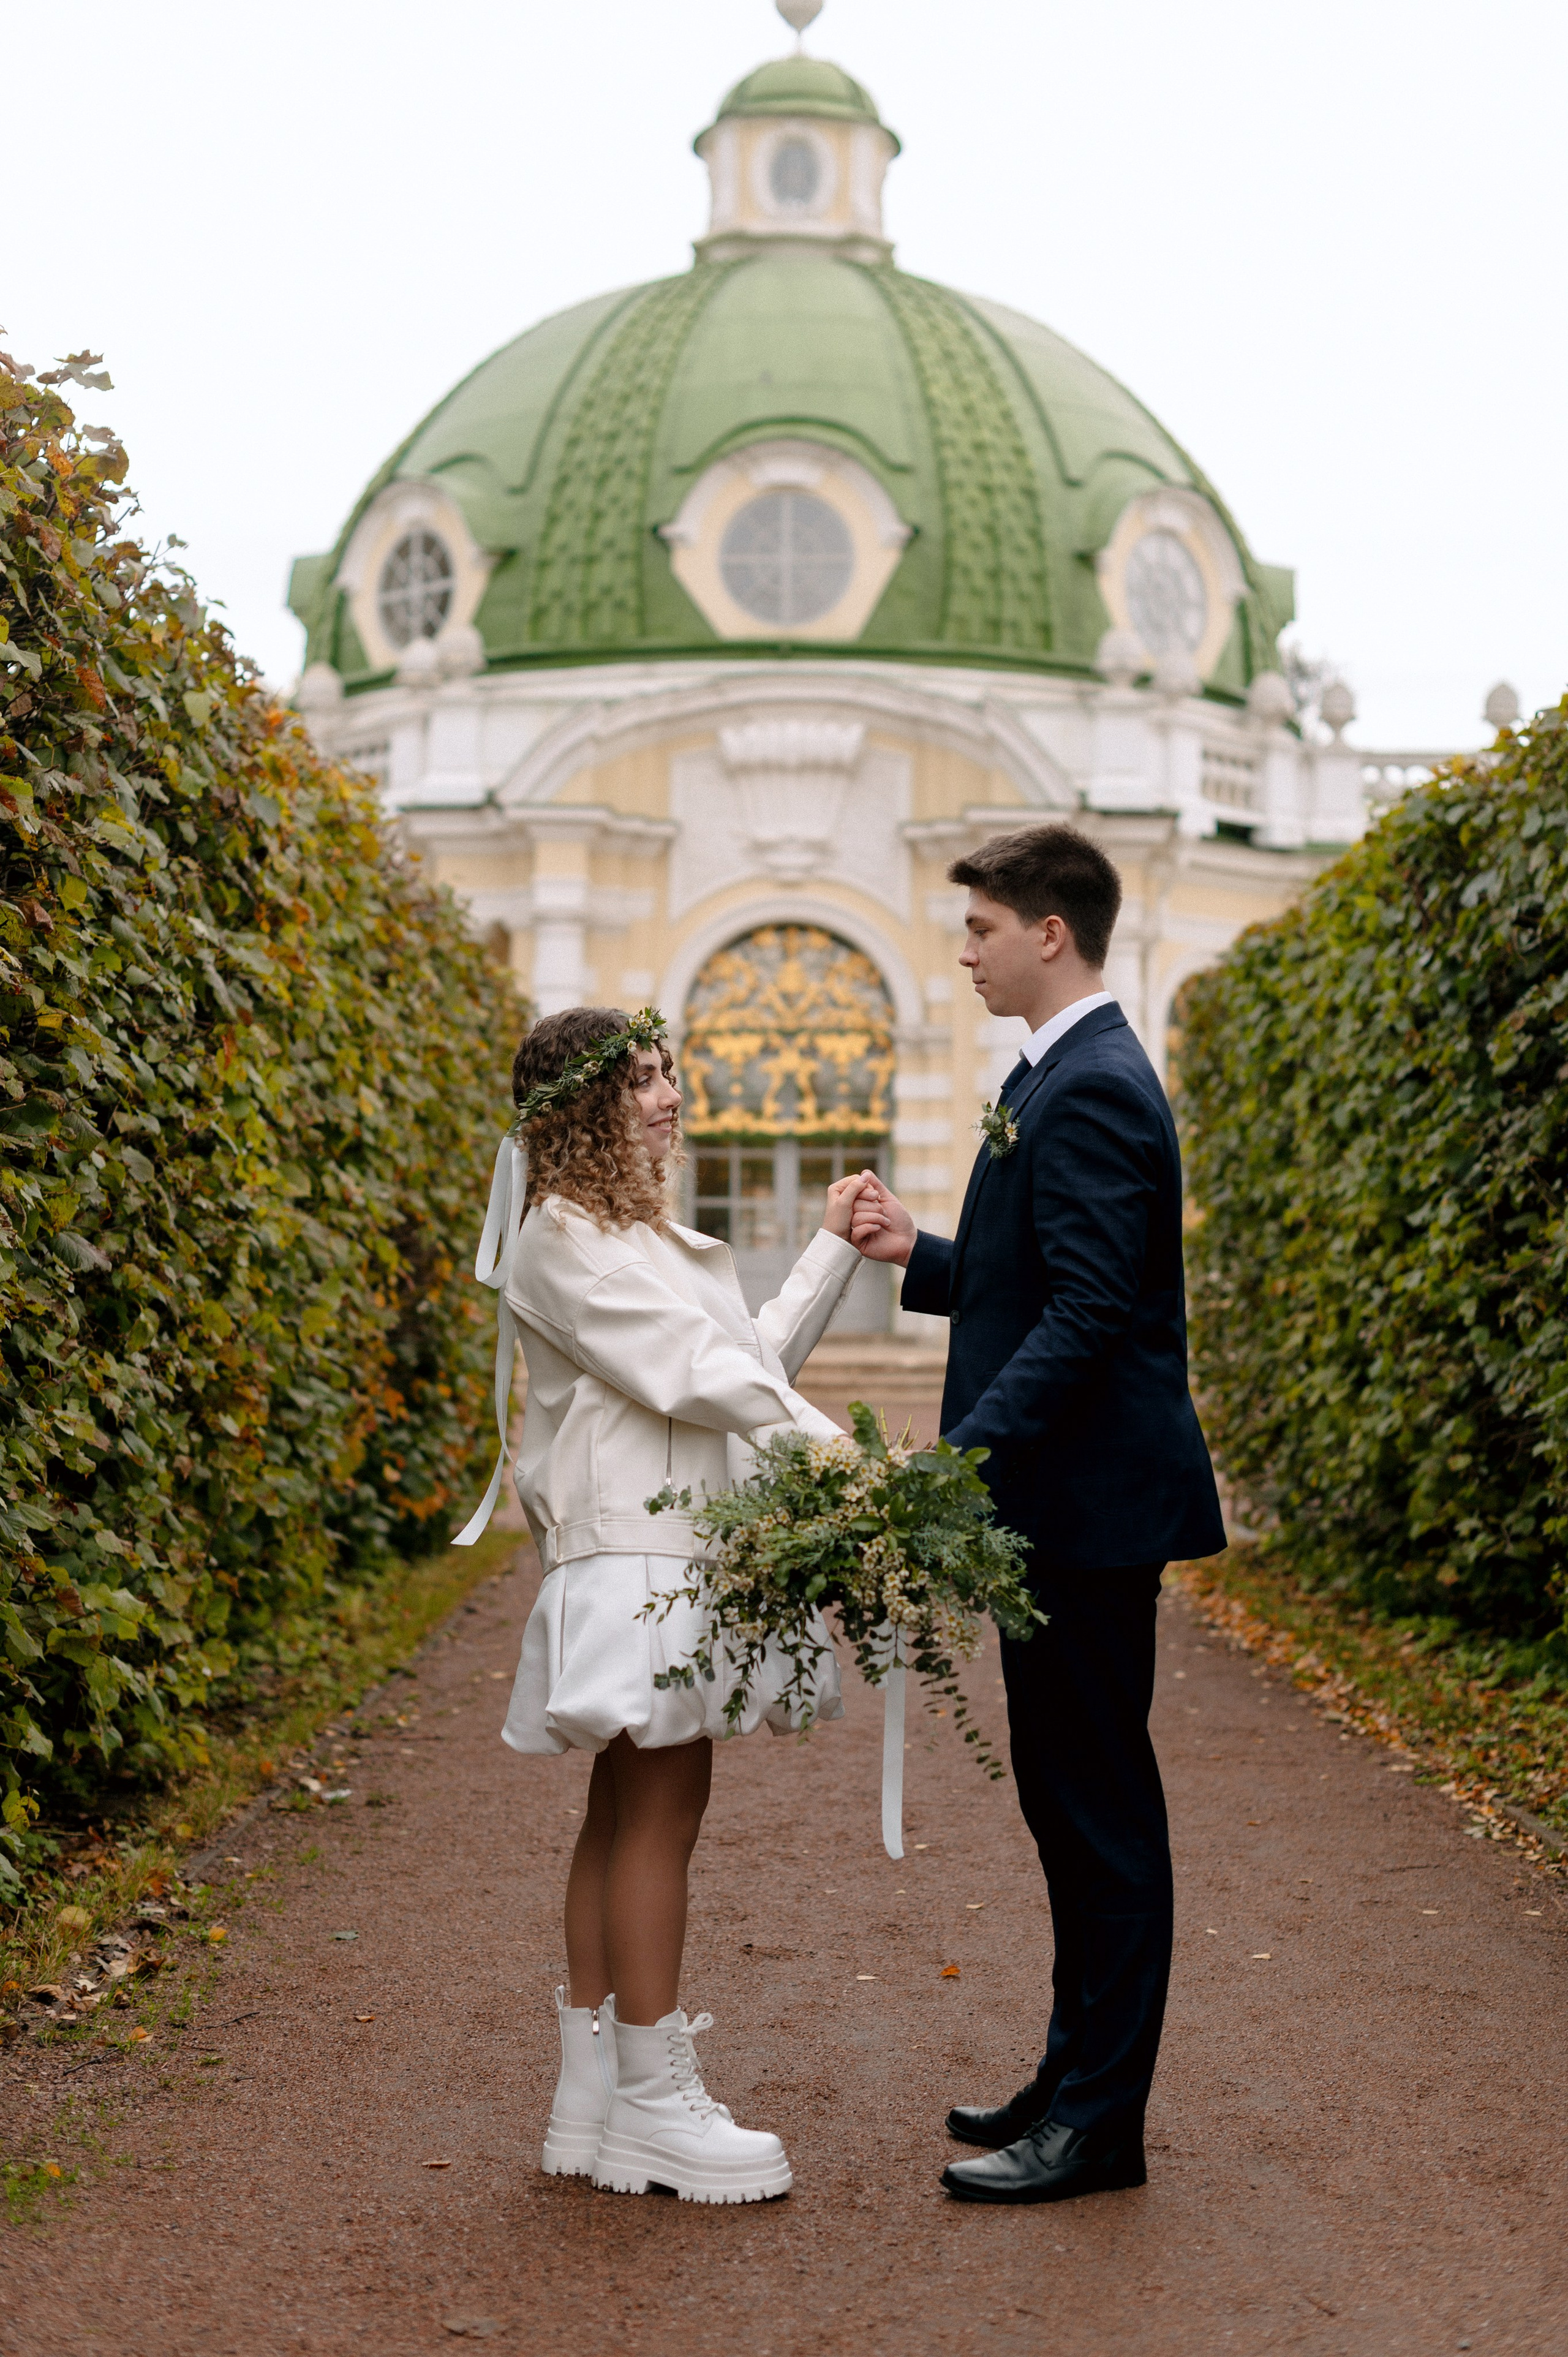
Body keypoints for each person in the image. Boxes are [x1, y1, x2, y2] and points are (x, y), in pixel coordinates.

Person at [850, 823, 1225, 2206]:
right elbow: (1042, 1281)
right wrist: (921, 1254)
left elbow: (1089, 1315)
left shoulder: (1095, 1086)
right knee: (1068, 1809)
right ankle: (1072, 2077)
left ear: (1049, 933)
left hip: (1089, 1510)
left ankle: (1101, 2125)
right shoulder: (1055, 1075)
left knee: (1099, 1812)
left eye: (981, 928)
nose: (964, 952)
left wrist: (955, 1461)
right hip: (1064, 1510)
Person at [473, 1006, 866, 2206]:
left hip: (657, 1553)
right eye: (639, 1080)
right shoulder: (563, 1236)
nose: (667, 1095)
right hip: (639, 1561)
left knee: (623, 1810)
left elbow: (739, 1358)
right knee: (659, 1812)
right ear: (583, 1108)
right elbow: (695, 1374)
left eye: (667, 1073)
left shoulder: (621, 1237)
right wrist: (839, 1455)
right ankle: (651, 2100)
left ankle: (592, 2093)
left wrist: (826, 1252)